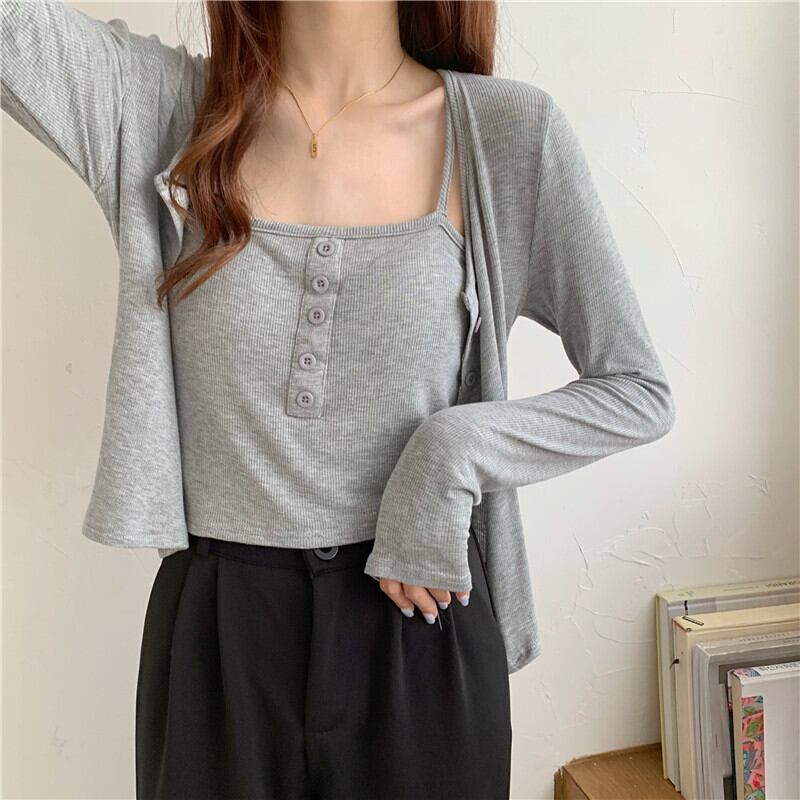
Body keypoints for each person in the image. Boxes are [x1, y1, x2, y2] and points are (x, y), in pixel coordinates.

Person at [1, 1, 676, 798]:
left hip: (422, 626)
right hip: (216, 638)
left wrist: (452, 455)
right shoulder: (158, 106)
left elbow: (636, 389)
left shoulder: (507, 133)